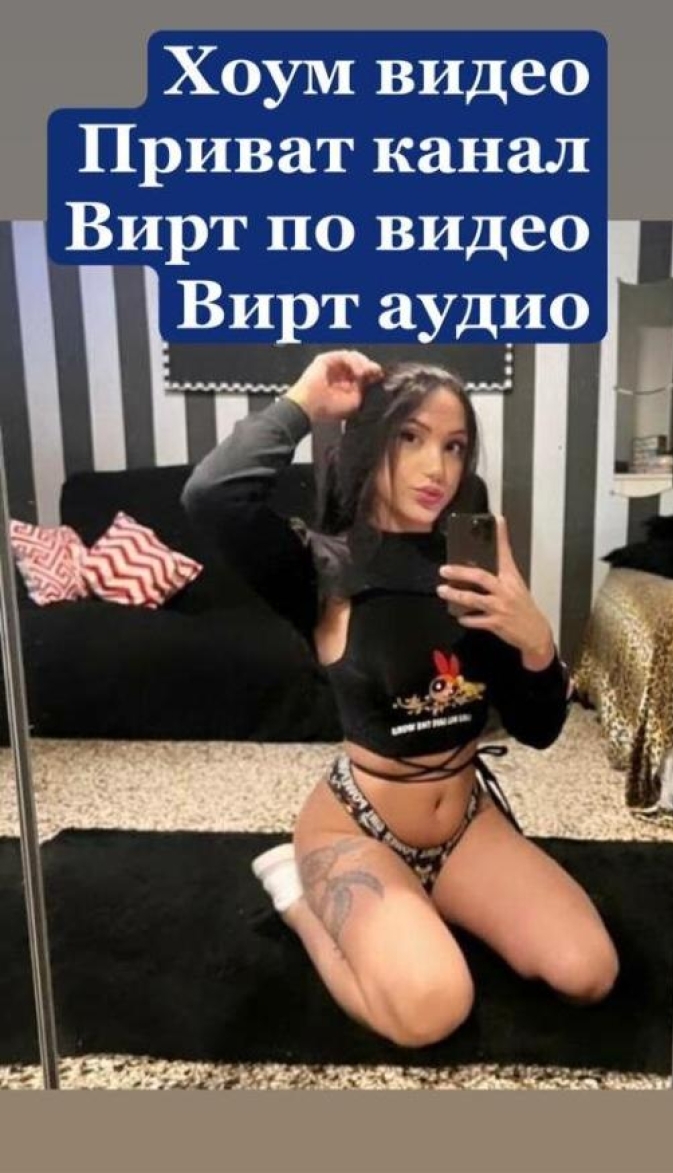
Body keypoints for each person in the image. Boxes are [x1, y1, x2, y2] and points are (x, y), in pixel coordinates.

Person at [182, 350, 619, 1049]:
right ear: (371, 443)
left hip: (467, 824)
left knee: (588, 971)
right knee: (431, 1008)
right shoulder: (320, 565)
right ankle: (298, 898)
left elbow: (538, 730)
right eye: (409, 437)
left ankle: (421, 904)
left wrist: (537, 643)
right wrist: (306, 400)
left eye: (454, 446)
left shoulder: (474, 564)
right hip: (356, 828)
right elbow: (211, 497)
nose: (435, 467)